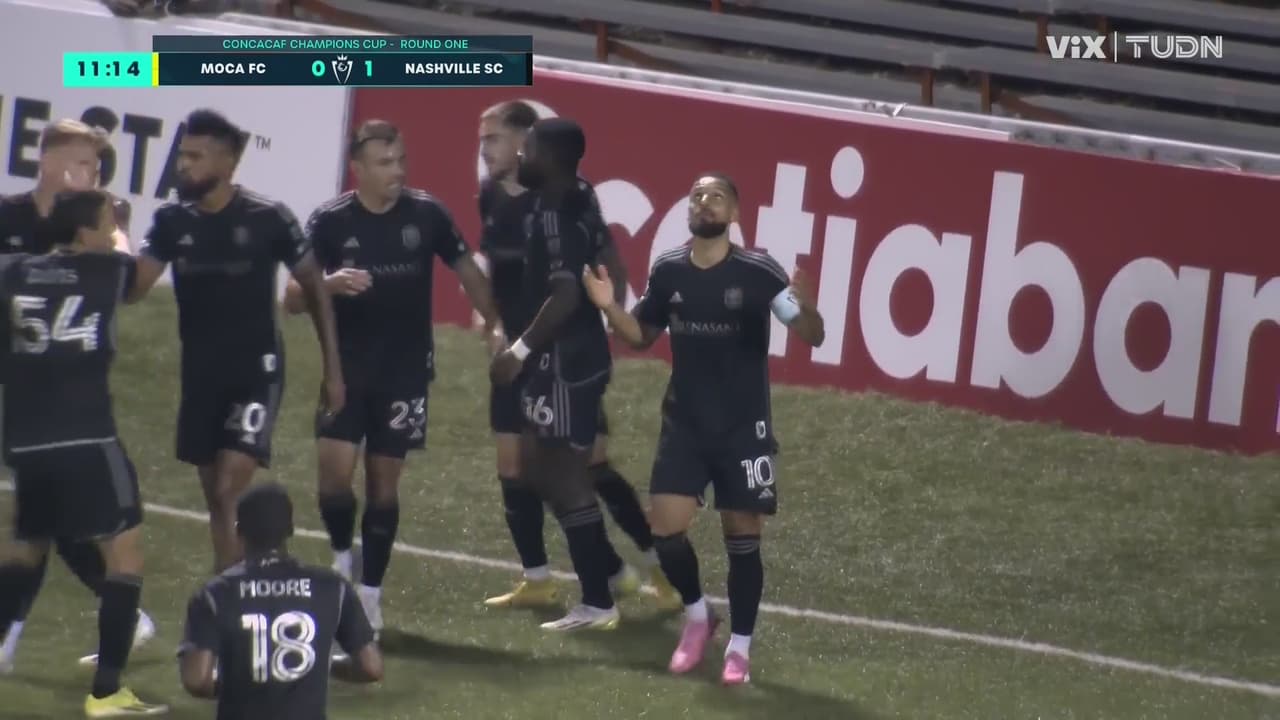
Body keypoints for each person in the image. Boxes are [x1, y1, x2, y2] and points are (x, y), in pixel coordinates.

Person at [582, 173, 825, 684]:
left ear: (734, 214)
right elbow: (641, 335)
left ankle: (740, 648)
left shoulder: (758, 272)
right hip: (685, 424)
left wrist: (806, 307)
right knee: (665, 528)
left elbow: (812, 335)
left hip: (744, 428)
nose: (704, 202)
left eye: (716, 196)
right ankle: (698, 615)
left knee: (743, 533)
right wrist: (608, 306)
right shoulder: (669, 269)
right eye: (697, 195)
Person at [282, 119, 498, 634]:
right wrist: (330, 284)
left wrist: (497, 323)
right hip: (346, 369)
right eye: (384, 163)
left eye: (401, 160)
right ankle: (342, 556)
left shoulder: (427, 214)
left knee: (383, 486)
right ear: (358, 168)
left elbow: (469, 272)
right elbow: (291, 299)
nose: (397, 171)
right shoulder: (330, 222)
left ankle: (371, 595)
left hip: (405, 373)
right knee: (334, 479)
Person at [474, 101, 678, 611]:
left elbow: (609, 264)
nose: (484, 150)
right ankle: (543, 578)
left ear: (524, 141)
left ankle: (656, 568)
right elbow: (500, 272)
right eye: (481, 140)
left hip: (561, 354)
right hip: (517, 354)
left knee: (589, 464)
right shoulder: (491, 197)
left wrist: (610, 327)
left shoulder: (567, 196)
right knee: (515, 467)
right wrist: (495, 322)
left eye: (493, 139)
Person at [129, 109, 344, 573]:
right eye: (183, 155)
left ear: (227, 163)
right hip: (201, 376)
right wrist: (113, 239)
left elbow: (314, 286)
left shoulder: (269, 218)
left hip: (256, 372)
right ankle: (231, 585)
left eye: (195, 157)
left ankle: (235, 590)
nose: (183, 165)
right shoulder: (170, 222)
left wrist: (333, 371)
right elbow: (135, 288)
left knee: (230, 489)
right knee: (217, 499)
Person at [0, 189, 168, 716]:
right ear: (83, 233)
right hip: (88, 438)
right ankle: (108, 691)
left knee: (26, 547)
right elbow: (135, 269)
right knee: (125, 555)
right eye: (104, 221)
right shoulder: (107, 270)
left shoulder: (12, 270)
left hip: (27, 440)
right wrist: (122, 229)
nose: (111, 228)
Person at [490, 118, 629, 631]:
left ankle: (599, 600)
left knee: (560, 474)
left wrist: (519, 351)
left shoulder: (552, 213)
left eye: (527, 150)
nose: (519, 157)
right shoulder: (582, 193)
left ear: (548, 159)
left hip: (562, 361)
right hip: (580, 354)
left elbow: (567, 293)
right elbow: (611, 261)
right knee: (538, 466)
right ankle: (607, 578)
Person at [178, 482, 383, 720]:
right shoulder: (333, 587)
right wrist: (325, 666)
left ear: (238, 530)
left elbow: (197, 680)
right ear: (291, 530)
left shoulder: (214, 595)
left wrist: (239, 684)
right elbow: (371, 667)